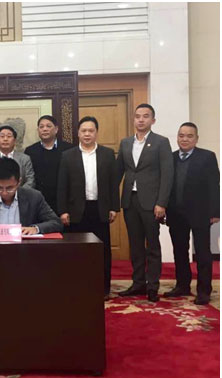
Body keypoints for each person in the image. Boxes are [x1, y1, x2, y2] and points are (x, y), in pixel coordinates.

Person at [57, 116, 120, 300]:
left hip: (100, 208)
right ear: (78, 133)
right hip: (76, 211)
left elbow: (113, 183)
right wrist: (63, 210)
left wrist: (114, 207)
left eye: (91, 131)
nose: (87, 134)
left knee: (102, 251)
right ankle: (78, 286)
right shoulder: (68, 155)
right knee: (77, 251)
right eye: (83, 131)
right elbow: (62, 186)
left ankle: (103, 288)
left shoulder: (107, 154)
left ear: (96, 133)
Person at [117, 104, 174, 302]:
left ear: (153, 120)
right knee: (135, 246)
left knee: (152, 245)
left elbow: (167, 175)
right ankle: (138, 283)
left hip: (152, 203)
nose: (141, 120)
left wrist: (162, 203)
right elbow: (118, 172)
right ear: (133, 119)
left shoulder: (161, 142)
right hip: (130, 201)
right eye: (138, 116)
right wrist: (111, 201)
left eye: (145, 116)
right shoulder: (125, 143)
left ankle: (152, 286)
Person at [164, 122, 220, 305]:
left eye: (189, 136)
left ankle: (204, 291)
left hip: (200, 213)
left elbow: (214, 185)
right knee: (180, 251)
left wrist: (215, 211)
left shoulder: (207, 157)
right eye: (181, 135)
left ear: (196, 138)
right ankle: (182, 285)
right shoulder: (171, 158)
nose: (185, 139)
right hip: (176, 213)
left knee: (203, 253)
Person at [24, 115, 75, 214]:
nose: (45, 129)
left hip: (63, 200)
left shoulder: (68, 149)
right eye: (41, 127)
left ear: (56, 129)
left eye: (48, 126)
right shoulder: (30, 151)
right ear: (38, 130)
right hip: (38, 201)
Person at [0, 125, 35, 192]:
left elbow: (30, 181)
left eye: (9, 136)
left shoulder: (25, 159)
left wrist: (15, 193)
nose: (5, 139)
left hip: (20, 196)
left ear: (14, 141)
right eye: (2, 136)